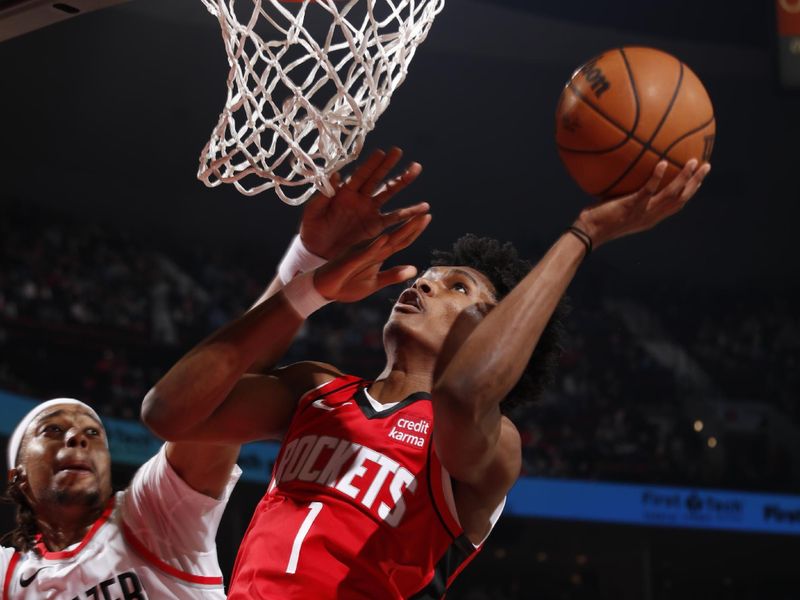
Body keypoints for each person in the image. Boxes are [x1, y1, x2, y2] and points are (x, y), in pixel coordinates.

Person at [142, 148, 710, 599]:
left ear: (494, 327)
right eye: (431, 276)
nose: (423, 283)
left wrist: (583, 233)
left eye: (457, 287)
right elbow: (169, 412)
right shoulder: (315, 389)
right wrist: (309, 280)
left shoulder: (490, 443)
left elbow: (463, 396)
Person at [1, 394, 240, 598]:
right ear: (18, 477)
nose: (78, 437)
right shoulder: (8, 578)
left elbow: (226, 405)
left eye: (93, 433)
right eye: (52, 429)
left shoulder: (151, 511)